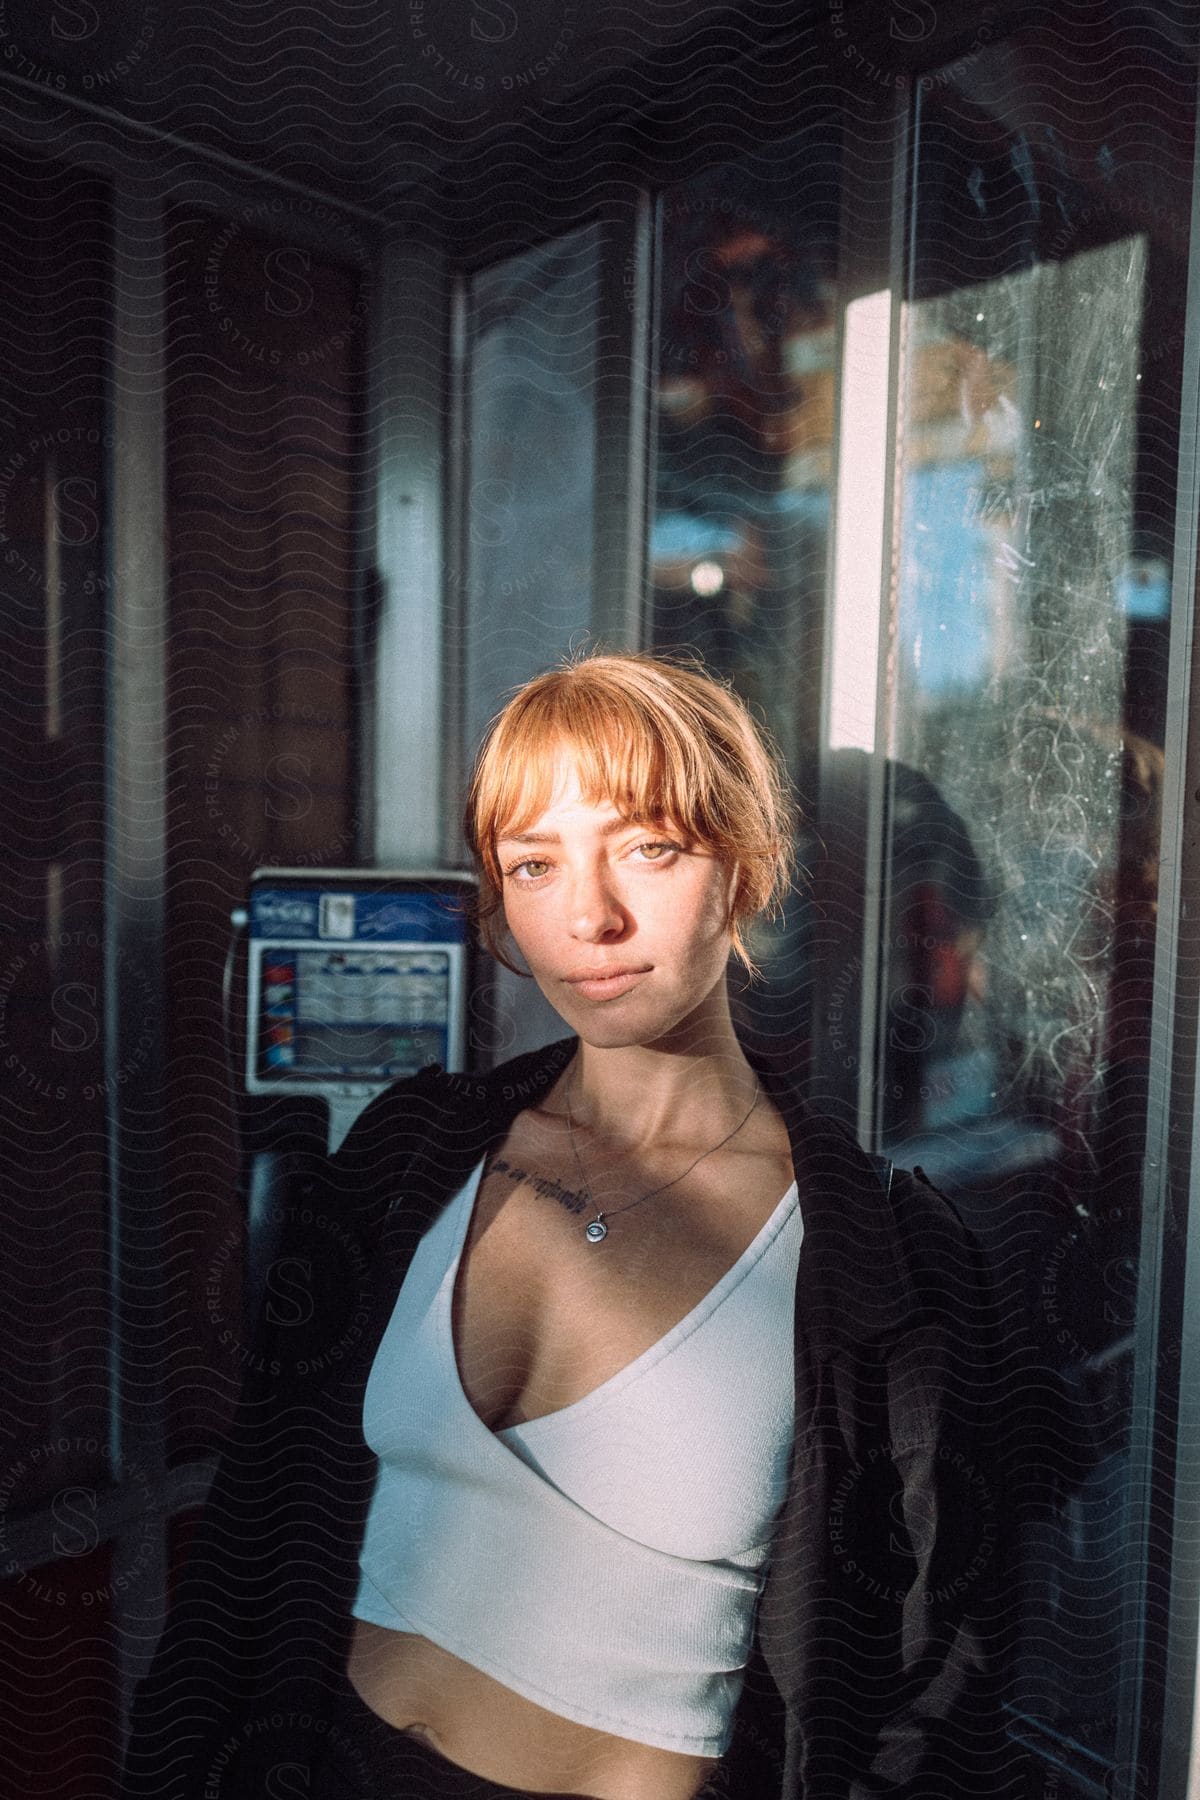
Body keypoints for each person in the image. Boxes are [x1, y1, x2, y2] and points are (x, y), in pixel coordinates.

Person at [122, 651, 1005, 1800]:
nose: (590, 916)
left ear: (743, 867)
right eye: (535, 864)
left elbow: (934, 1685)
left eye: (648, 848)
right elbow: (252, 1532)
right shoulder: (408, 1157)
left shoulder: (875, 1256)